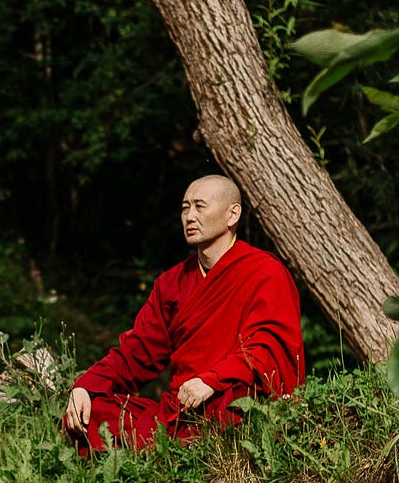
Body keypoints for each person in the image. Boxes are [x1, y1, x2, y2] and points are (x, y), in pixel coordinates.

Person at [64, 174, 303, 451]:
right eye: (184, 208)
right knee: (92, 410)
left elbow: (268, 346)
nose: (189, 216)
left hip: (229, 399)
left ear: (232, 214)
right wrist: (86, 385)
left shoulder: (264, 272)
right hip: (182, 408)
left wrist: (212, 380)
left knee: (234, 401)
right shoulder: (172, 283)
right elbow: (136, 352)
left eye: (200, 207)